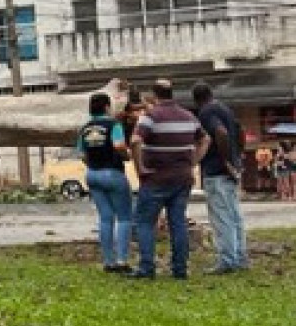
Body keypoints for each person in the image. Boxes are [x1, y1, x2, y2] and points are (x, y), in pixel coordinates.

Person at [129, 78, 209, 279]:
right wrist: (193, 161)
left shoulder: (151, 116)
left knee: (146, 222)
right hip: (182, 178)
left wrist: (141, 167)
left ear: (154, 95)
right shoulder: (188, 116)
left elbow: (136, 140)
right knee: (178, 222)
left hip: (155, 177)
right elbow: (205, 139)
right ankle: (180, 269)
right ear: (172, 93)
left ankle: (147, 268)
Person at [191, 82, 248, 273]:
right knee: (234, 215)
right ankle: (240, 257)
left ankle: (227, 260)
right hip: (231, 170)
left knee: (221, 216)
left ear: (196, 100)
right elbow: (240, 130)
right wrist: (237, 156)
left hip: (217, 170)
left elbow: (221, 132)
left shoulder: (205, 112)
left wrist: (225, 161)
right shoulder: (225, 108)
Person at [76, 91, 133, 272]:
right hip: (113, 173)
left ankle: (108, 261)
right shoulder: (113, 124)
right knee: (124, 218)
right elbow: (118, 145)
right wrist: (127, 156)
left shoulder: (85, 128)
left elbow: (81, 154)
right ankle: (122, 260)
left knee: (105, 218)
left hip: (92, 174)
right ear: (107, 107)